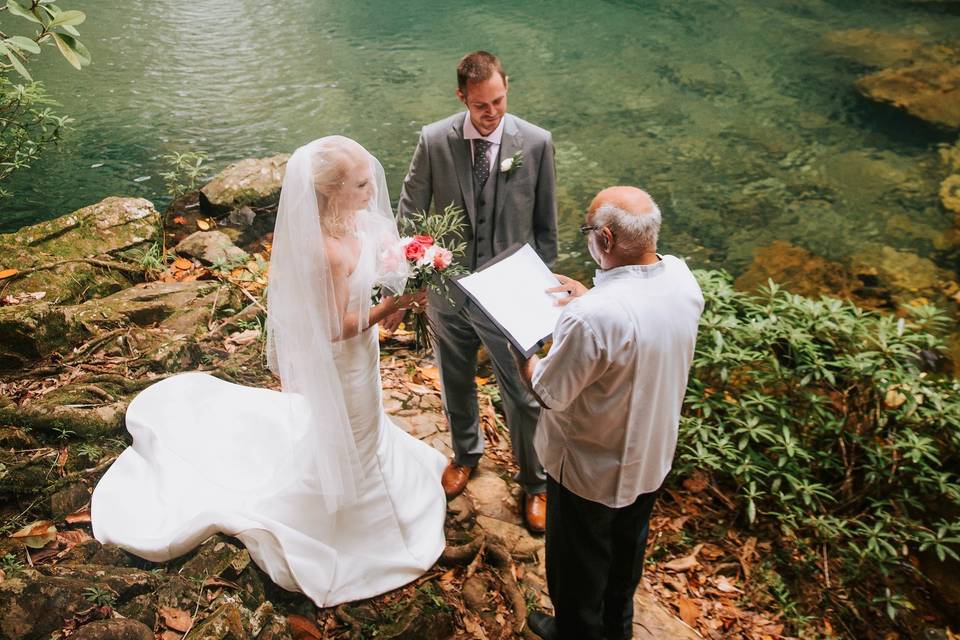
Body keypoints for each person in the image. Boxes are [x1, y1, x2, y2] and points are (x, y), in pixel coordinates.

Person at [91, 136, 447, 607]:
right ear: (331, 191)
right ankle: (347, 529)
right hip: (343, 361)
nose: (371, 193)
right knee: (350, 433)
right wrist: (390, 308)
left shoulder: (355, 220)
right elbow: (334, 328)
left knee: (366, 429)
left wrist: (407, 280)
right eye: (361, 184)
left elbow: (379, 267)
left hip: (365, 357)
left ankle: (381, 504)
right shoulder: (322, 249)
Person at [515, 187, 704, 640]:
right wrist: (585, 296)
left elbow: (549, 391)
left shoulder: (593, 317)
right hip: (650, 457)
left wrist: (522, 351)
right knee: (623, 566)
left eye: (587, 231)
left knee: (576, 574)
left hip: (589, 468)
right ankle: (617, 631)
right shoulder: (682, 280)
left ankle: (575, 632)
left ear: (604, 238)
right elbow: (636, 327)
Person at [396, 50, 558, 532]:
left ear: (506, 86)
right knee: (455, 377)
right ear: (462, 96)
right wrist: (421, 269)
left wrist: (538, 288)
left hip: (512, 295)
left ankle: (536, 484)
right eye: (482, 105)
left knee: (525, 394)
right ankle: (466, 454)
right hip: (450, 291)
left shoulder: (536, 143)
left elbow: (546, 228)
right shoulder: (433, 140)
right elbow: (411, 211)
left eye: (500, 101)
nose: (492, 113)